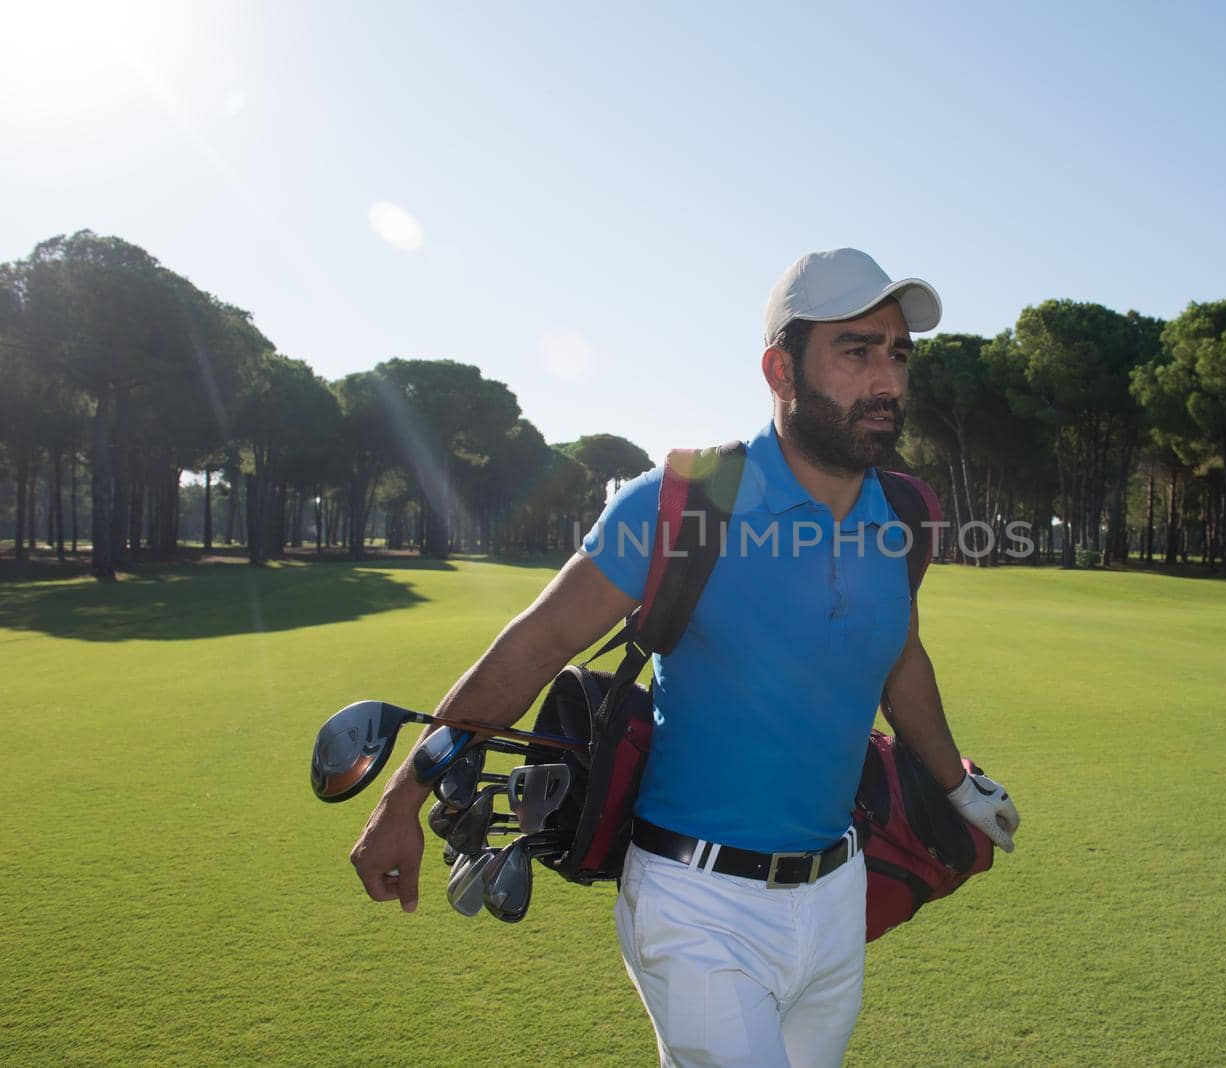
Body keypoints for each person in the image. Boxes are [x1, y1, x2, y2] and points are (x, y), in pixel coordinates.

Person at [349, 248, 1021, 1067]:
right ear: (781, 369)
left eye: (899, 353)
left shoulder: (906, 514)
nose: (887, 379)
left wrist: (958, 783)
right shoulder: (689, 501)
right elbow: (536, 643)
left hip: (839, 895)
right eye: (857, 351)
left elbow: (900, 657)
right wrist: (402, 794)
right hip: (697, 905)